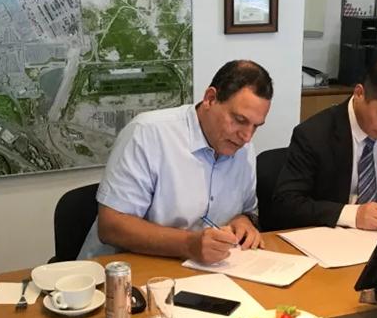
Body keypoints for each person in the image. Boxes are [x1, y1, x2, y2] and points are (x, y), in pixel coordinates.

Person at [78, 60, 273, 264]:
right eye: (240, 120)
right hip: (124, 270)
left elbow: (248, 210)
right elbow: (111, 226)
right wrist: (188, 245)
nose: (247, 136)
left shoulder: (243, 148)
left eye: (256, 126)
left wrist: (243, 221)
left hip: (206, 271)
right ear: (210, 99)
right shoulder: (148, 133)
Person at [272, 56, 377, 230]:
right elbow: (287, 203)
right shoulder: (314, 134)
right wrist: (352, 215)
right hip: (333, 238)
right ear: (359, 94)